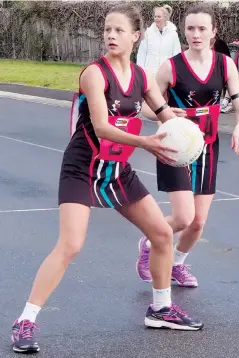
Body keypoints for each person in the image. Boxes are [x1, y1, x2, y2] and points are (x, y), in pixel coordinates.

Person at [11, 4, 204, 354]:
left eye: (118, 30)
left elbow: (163, 114)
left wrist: (181, 132)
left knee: (161, 233)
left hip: (117, 171)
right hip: (83, 166)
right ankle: (25, 321)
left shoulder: (142, 77)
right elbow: (101, 127)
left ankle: (161, 308)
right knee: (70, 245)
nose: (111, 35)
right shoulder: (94, 74)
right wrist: (146, 142)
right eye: (107, 30)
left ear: (135, 36)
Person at [136, 3, 239, 288]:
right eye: (190, 28)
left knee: (198, 222)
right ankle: (149, 243)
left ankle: (177, 264)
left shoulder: (225, 64)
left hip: (207, 147)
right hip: (174, 148)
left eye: (202, 28)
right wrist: (164, 113)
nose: (196, 34)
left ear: (213, 31)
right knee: (184, 217)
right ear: (183, 31)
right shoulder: (171, 67)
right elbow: (144, 107)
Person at [136, 4, 181, 75]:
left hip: (166, 74)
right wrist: (141, 72)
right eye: (155, 16)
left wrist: (174, 72)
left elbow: (177, 55)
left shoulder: (173, 34)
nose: (156, 18)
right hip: (150, 73)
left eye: (159, 17)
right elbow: (142, 53)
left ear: (165, 18)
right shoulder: (148, 33)